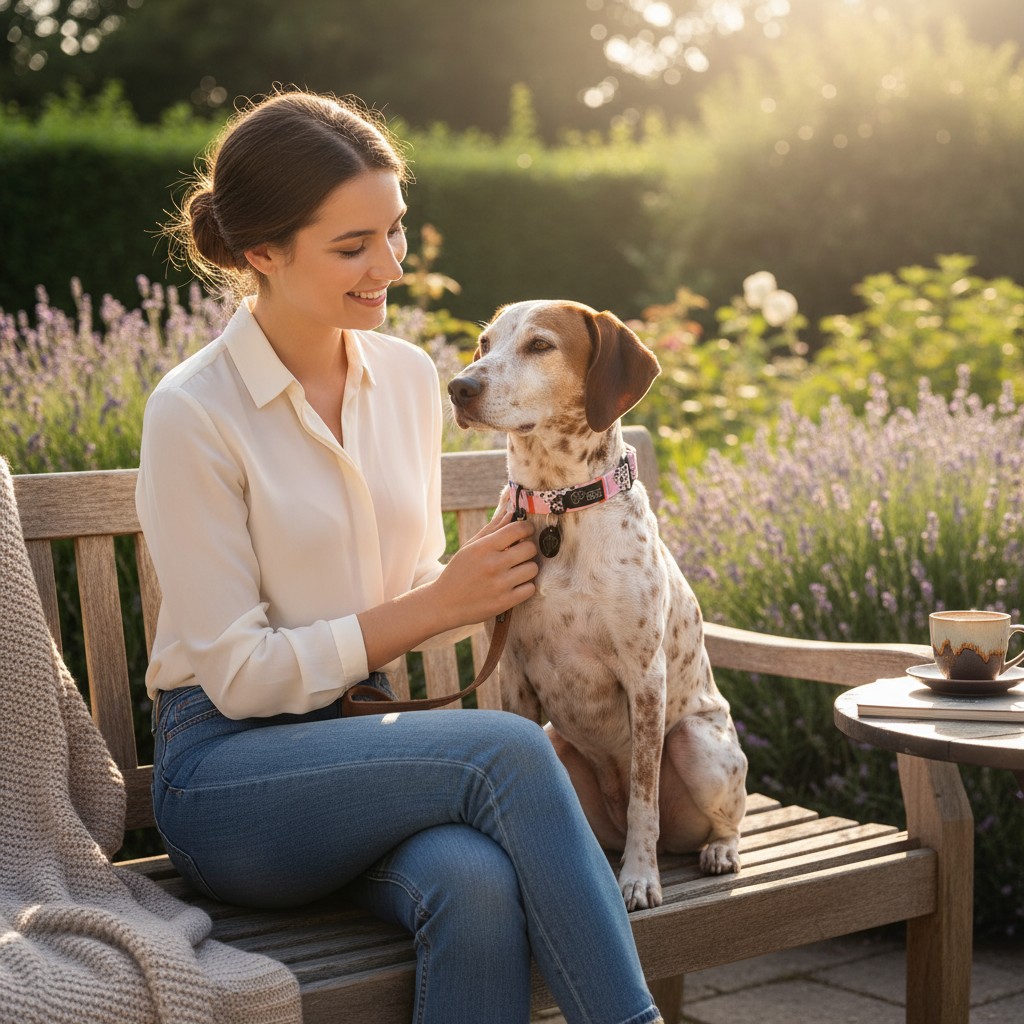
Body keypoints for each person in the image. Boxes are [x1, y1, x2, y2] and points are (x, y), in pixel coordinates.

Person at [137, 88, 664, 1024]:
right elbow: (242, 676)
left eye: (395, 230)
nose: (390, 265)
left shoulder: (413, 380)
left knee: (477, 885)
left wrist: (516, 580)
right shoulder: (193, 411)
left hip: (365, 748)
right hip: (226, 776)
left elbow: (413, 583)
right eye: (353, 246)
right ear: (263, 253)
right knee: (507, 751)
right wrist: (439, 603)